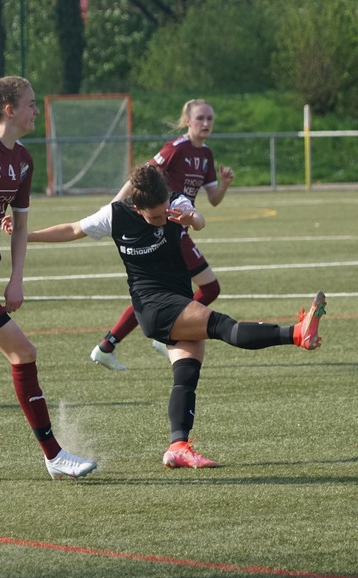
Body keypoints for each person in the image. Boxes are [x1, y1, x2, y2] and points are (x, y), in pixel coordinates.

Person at [27, 163, 326, 469]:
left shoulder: (174, 203)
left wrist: (191, 218)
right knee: (222, 325)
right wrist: (27, 236)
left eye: (164, 213)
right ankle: (296, 334)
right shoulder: (115, 215)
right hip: (153, 305)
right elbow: (73, 229)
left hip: (176, 298)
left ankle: (178, 446)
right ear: (137, 208)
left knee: (186, 376)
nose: (161, 220)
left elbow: (200, 220)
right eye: (154, 216)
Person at [0, 74, 97, 480]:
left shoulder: (24, 161)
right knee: (23, 352)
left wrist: (16, 279)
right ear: (9, 110)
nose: (36, 111)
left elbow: (21, 225)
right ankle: (53, 455)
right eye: (31, 104)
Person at [90, 98, 235, 371]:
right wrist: (114, 208)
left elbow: (213, 199)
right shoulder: (176, 148)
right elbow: (141, 177)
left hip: (179, 227)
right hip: (164, 229)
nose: (205, 123)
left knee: (159, 294)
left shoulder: (206, 155)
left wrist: (225, 184)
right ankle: (167, 332)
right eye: (200, 118)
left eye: (209, 119)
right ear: (187, 121)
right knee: (208, 288)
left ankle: (108, 345)